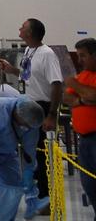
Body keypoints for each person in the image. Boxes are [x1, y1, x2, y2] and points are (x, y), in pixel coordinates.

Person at [0, 18, 65, 218]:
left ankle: (48, 199)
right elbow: (28, 76)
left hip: (43, 108)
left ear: (31, 33)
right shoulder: (28, 52)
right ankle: (36, 197)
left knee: (44, 155)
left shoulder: (47, 55)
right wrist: (11, 70)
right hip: (28, 105)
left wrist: (52, 115)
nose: (19, 29)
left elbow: (57, 84)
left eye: (23, 27)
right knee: (30, 155)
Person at [64, 38, 96, 215]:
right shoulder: (84, 76)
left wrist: (76, 86)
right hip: (84, 140)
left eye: (83, 56)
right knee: (89, 183)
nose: (79, 60)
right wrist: (83, 99)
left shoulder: (78, 80)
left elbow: (93, 95)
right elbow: (67, 98)